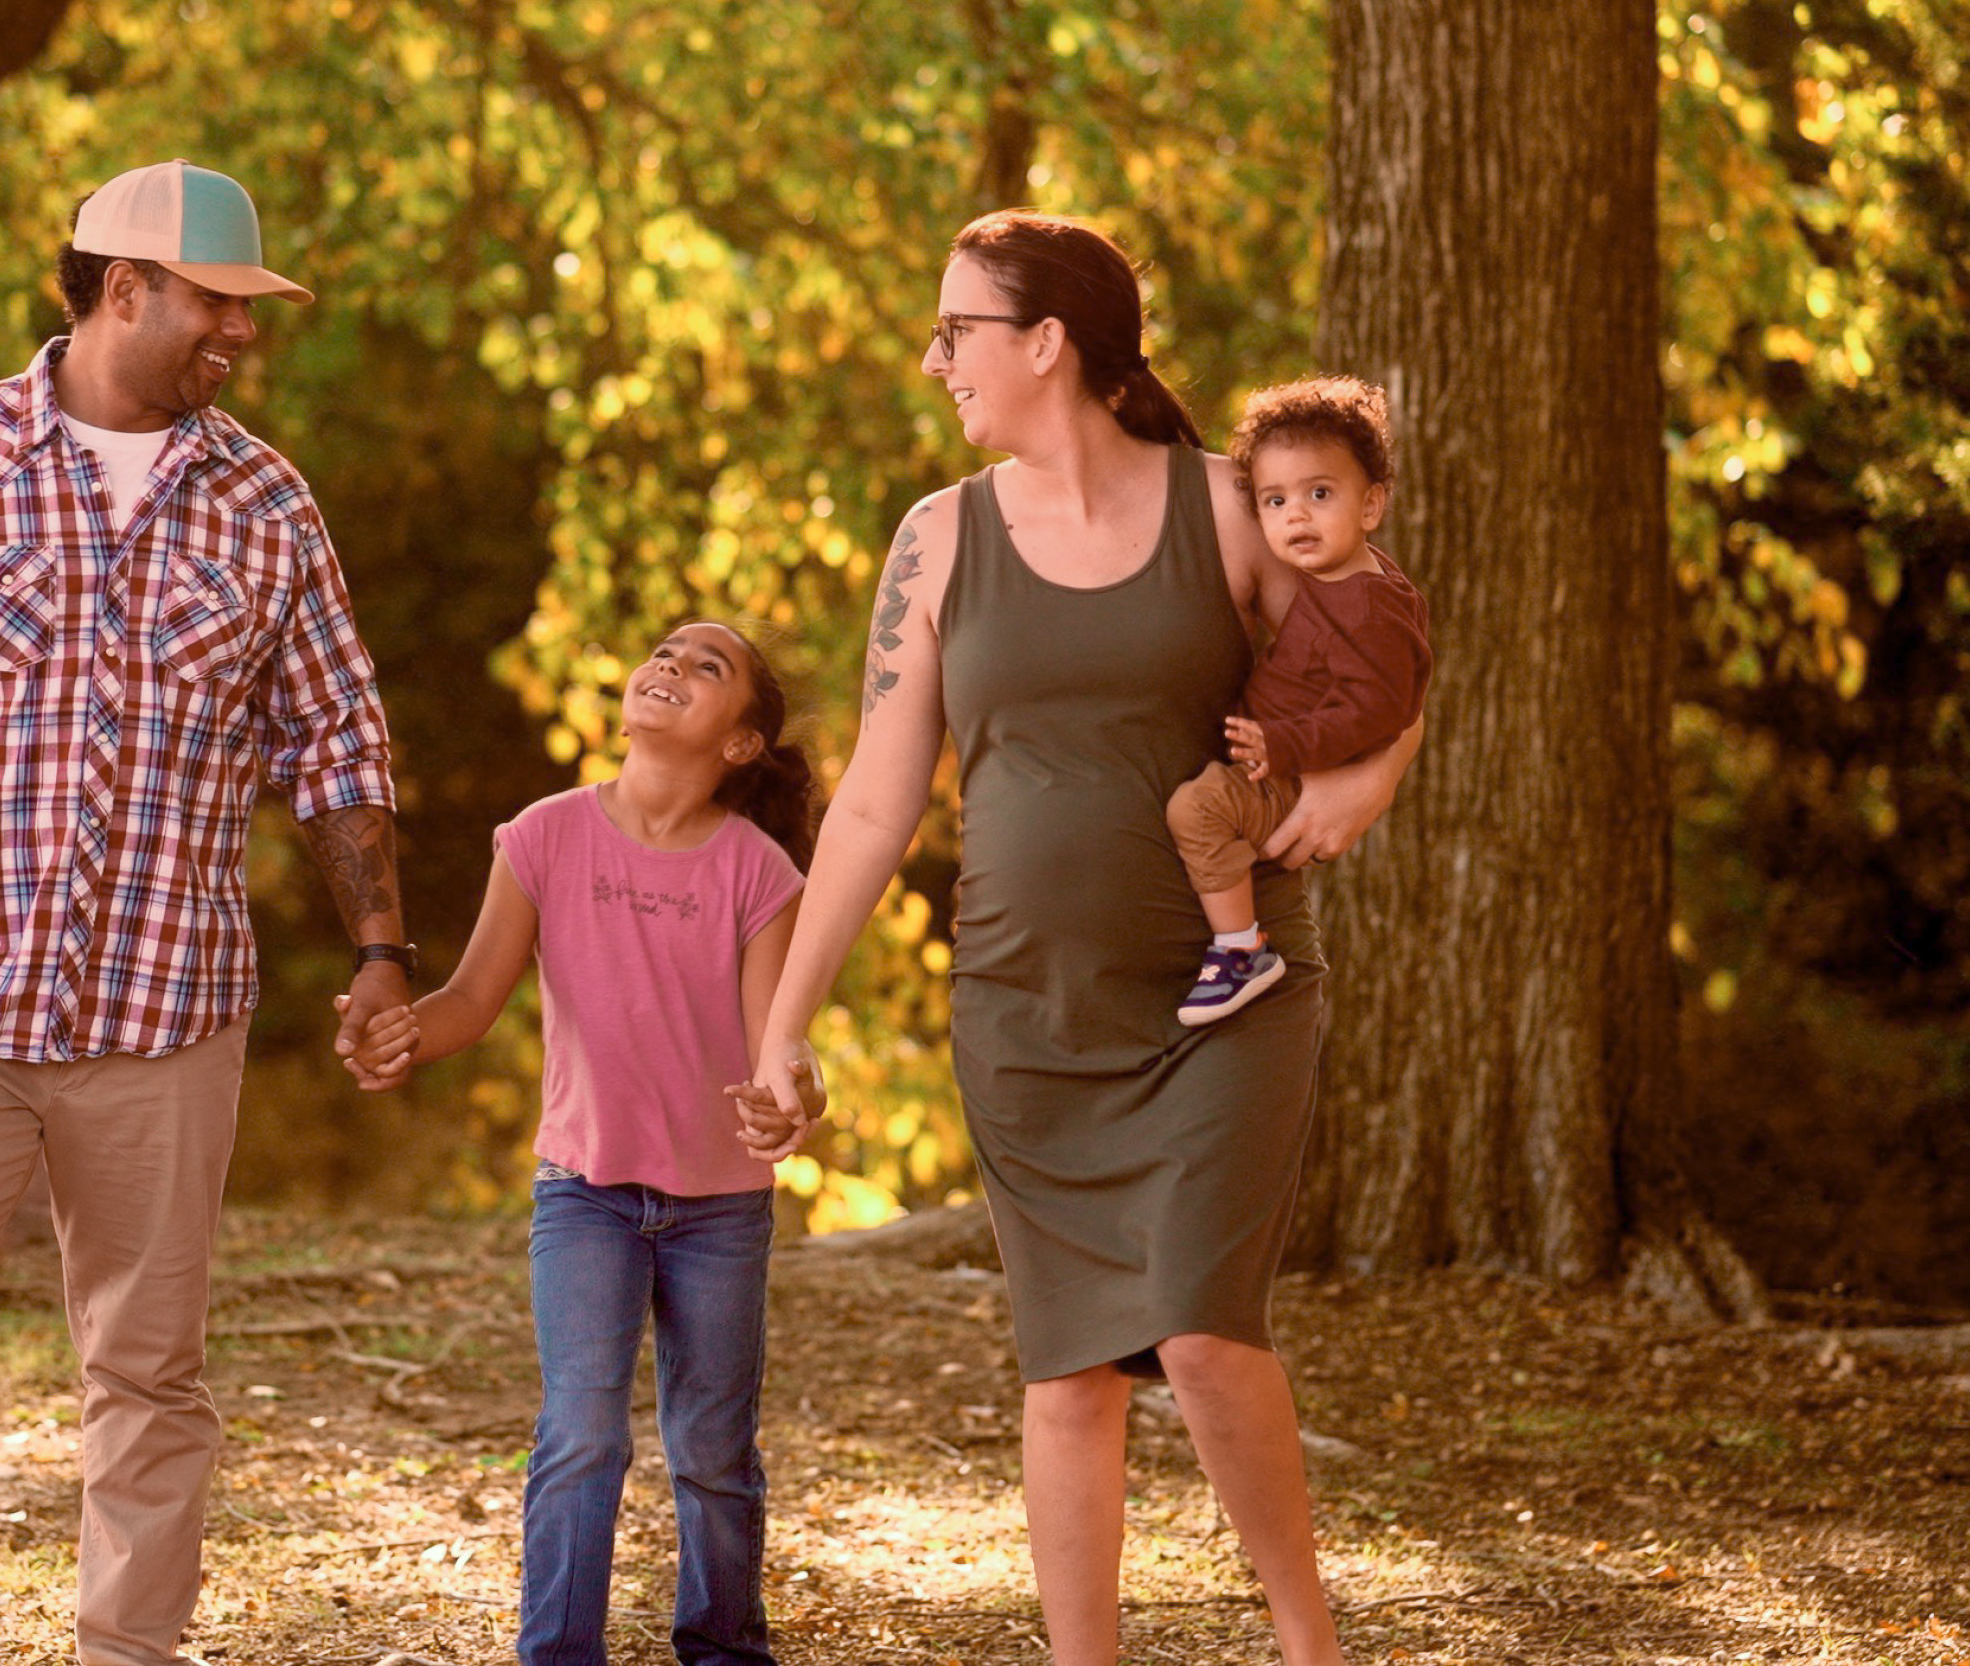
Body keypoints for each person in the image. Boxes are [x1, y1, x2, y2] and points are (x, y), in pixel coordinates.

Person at [740, 211, 1422, 1666]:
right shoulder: (938, 537)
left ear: (1047, 340)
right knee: (1068, 1372)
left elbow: (1380, 642)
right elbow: (871, 802)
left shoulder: (1232, 505)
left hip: (1224, 994)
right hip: (1023, 1008)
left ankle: (1314, 1645)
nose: (935, 360)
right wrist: (785, 1015)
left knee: (1198, 1329)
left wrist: (1364, 779)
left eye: (955, 330)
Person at [0, 159, 414, 1666]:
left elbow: (338, 739)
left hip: (167, 1011)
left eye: (245, 312)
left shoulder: (266, 500)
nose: (236, 337)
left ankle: (132, 1651)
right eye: (214, 303)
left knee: (148, 1366)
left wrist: (383, 949)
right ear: (122, 287)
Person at [347, 620, 823, 1666]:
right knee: (581, 1433)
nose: (670, 667)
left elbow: (770, 1046)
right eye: (664, 651)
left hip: (719, 1205)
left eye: (709, 668)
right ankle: (557, 1652)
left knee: (709, 1447)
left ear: (740, 742)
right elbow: (472, 997)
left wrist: (792, 1097)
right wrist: (399, 1030)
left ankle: (725, 1647)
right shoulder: (544, 835)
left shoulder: (758, 871)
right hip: (585, 1193)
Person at [1167, 376, 1433, 1026]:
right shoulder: (1344, 576)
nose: (1297, 516)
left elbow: (1380, 709)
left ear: (1371, 506)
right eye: (1275, 500)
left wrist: (1284, 744)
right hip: (1276, 750)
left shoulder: (1368, 604)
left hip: (1292, 774)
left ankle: (1240, 950)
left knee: (1195, 810)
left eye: (1320, 493)